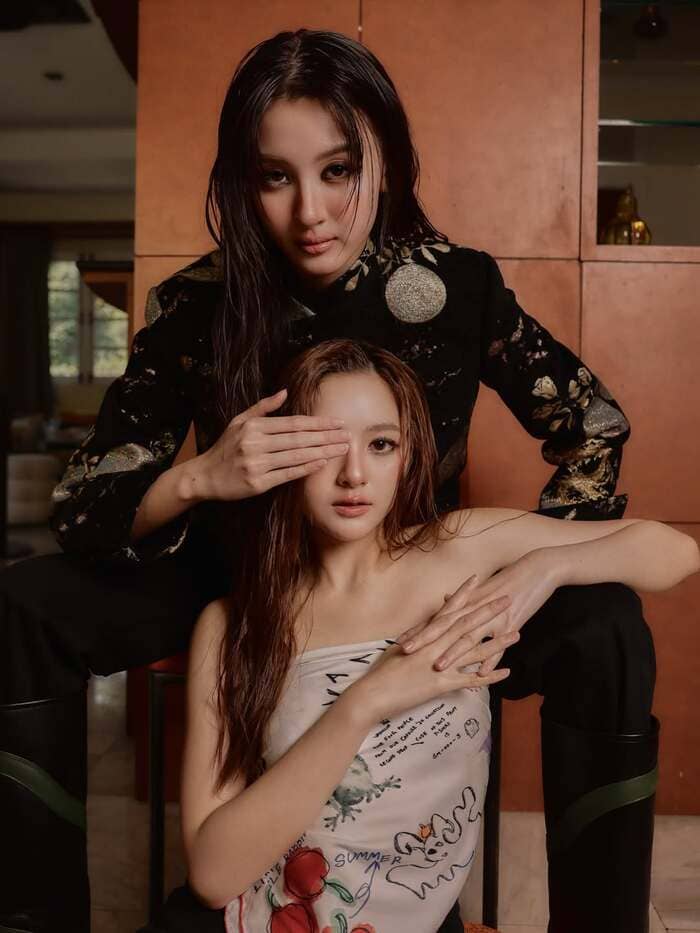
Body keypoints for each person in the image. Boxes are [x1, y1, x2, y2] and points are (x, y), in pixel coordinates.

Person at [0, 27, 658, 933]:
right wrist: (201, 478)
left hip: (411, 587)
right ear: (245, 182)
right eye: (276, 177)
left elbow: (594, 426)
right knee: (22, 604)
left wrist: (524, 574)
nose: (310, 211)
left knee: (608, 621)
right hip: (235, 574)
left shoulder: (456, 287)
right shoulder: (198, 303)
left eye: (338, 170)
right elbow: (82, 504)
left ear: (383, 159)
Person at [177, 338, 698, 933]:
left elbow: (674, 550)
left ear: (409, 455)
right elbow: (213, 876)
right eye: (326, 447)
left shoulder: (456, 550)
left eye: (381, 444)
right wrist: (366, 701)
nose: (354, 474)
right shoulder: (234, 625)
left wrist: (547, 567)